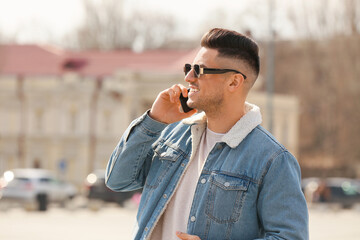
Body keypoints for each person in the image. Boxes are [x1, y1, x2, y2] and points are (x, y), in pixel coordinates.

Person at [106, 28, 309, 240]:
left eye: (199, 70)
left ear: (233, 82)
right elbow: (117, 180)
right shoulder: (173, 137)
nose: (188, 77)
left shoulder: (273, 160)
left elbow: (290, 237)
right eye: (189, 68)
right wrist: (154, 120)